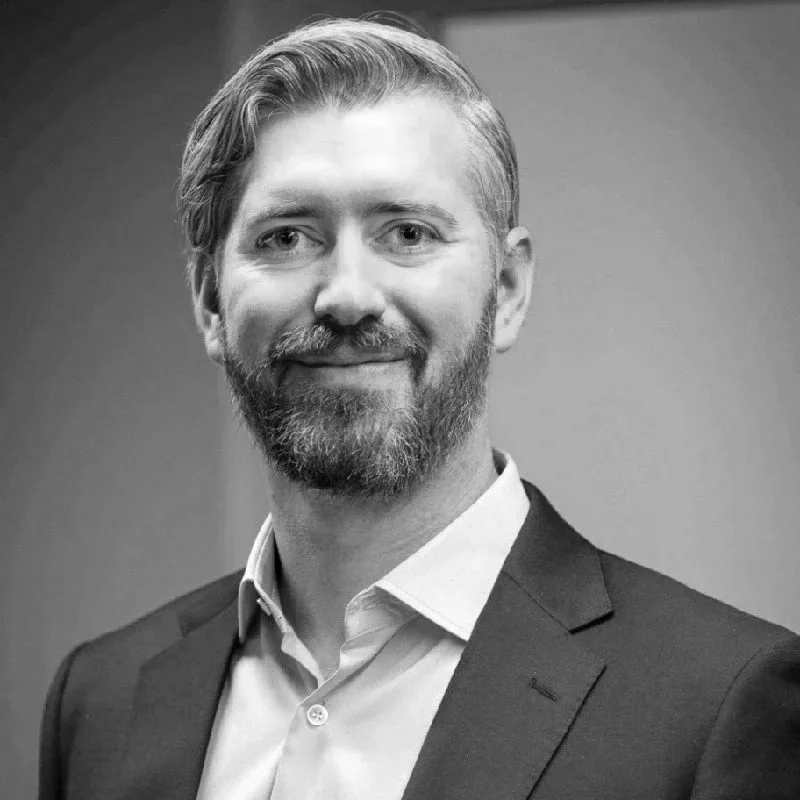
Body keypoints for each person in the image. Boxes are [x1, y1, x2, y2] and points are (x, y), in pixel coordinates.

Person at [39, 16, 800, 800]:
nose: (345, 296)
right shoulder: (101, 700)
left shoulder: (719, 707)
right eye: (287, 237)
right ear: (208, 298)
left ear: (506, 290)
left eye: (407, 232)